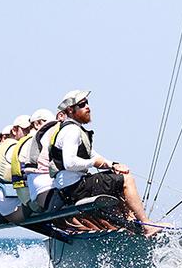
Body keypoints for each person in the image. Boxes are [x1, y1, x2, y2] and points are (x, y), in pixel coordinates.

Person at [50, 89, 167, 236]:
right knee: (126, 180)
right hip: (74, 188)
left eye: (87, 103)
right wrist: (92, 163)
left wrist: (113, 165)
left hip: (74, 186)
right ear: (70, 110)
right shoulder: (71, 131)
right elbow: (70, 163)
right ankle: (146, 225)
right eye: (82, 104)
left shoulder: (75, 129)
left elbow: (92, 154)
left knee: (117, 177)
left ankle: (131, 223)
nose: (87, 107)